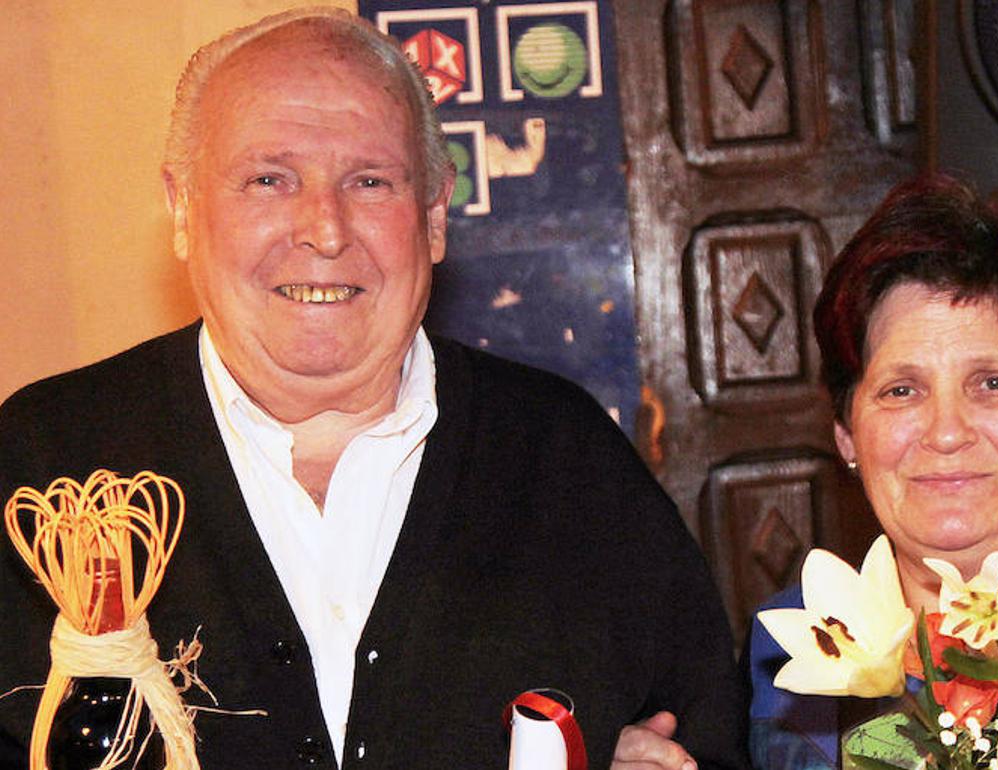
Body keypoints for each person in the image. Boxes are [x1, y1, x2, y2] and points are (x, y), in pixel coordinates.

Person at [0, 8, 747, 770]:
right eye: (268, 180)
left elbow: (706, 736)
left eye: (369, 181)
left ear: (434, 214)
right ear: (183, 208)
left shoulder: (566, 460)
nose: (325, 230)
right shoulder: (46, 464)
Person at [745, 173, 998, 769]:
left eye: (993, 383)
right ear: (845, 432)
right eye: (901, 390)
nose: (946, 433)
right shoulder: (790, 650)